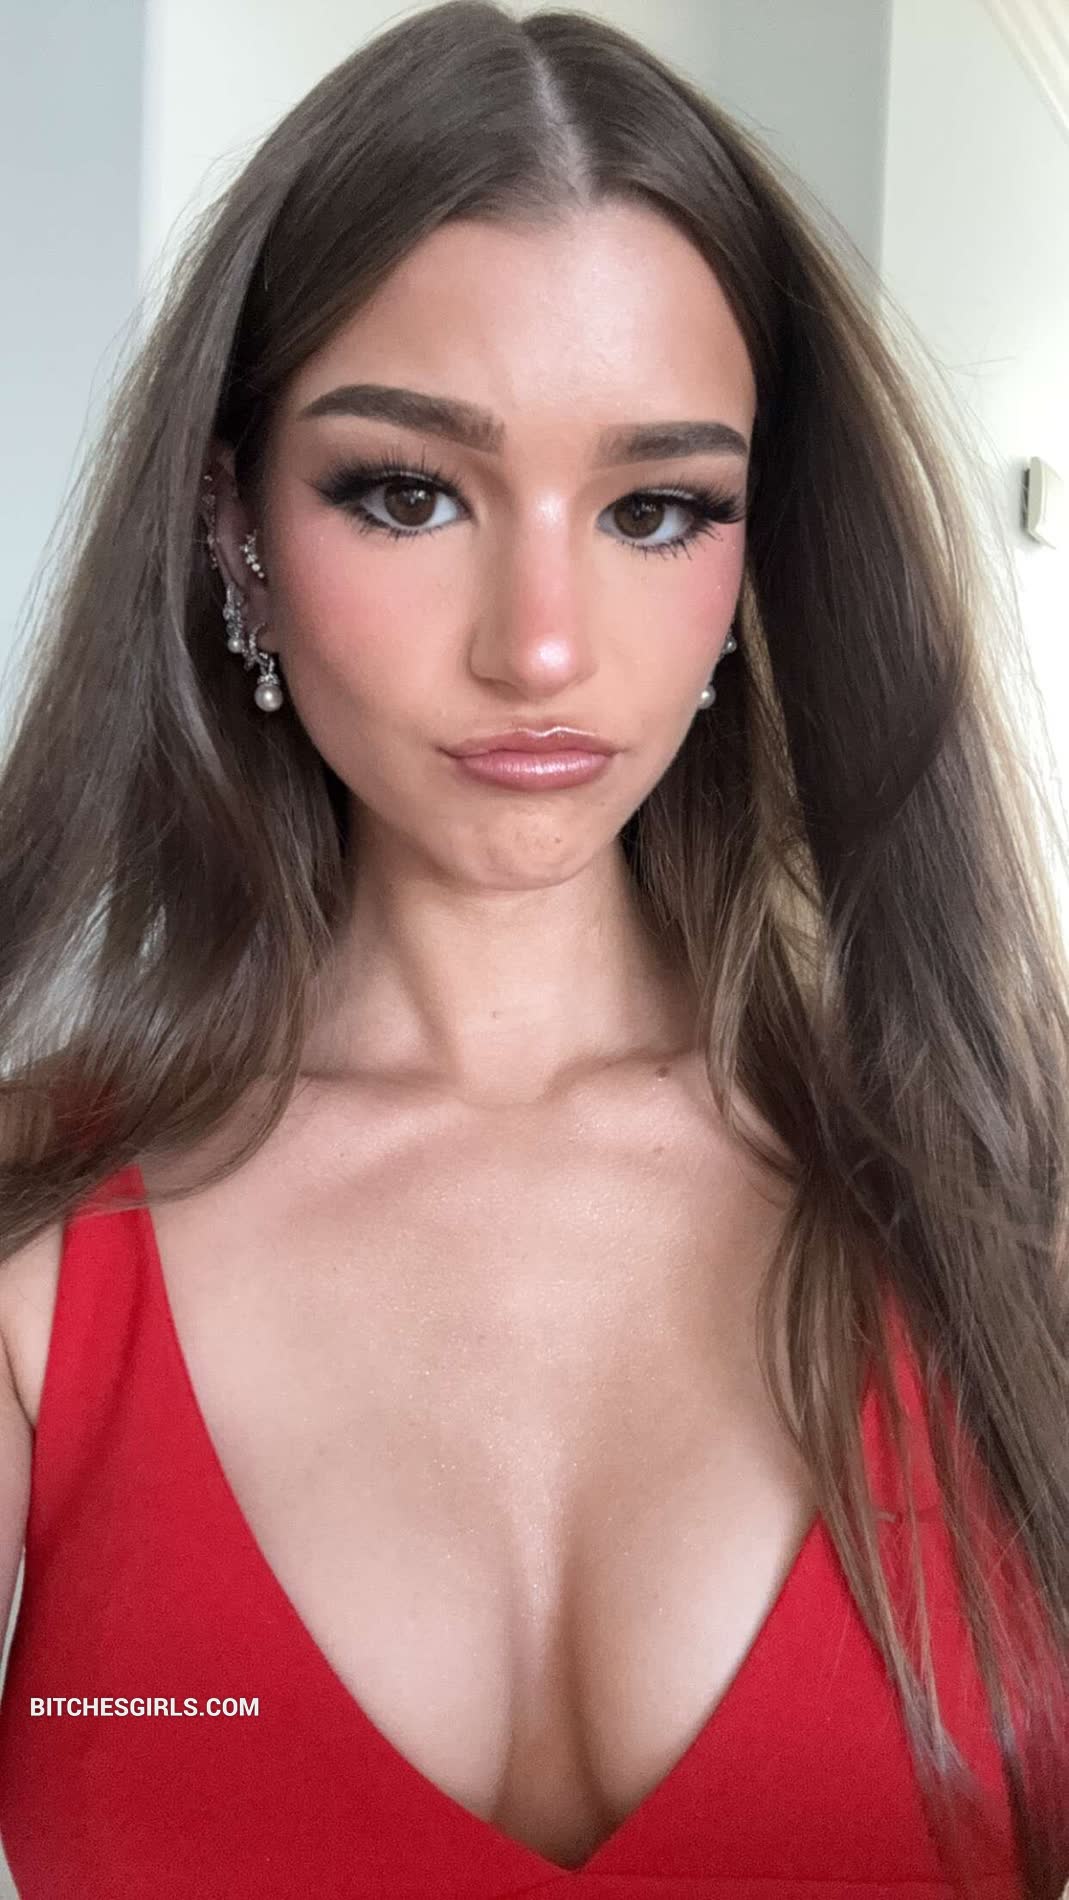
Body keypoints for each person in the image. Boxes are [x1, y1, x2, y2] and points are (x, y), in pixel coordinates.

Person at [0, 3, 1066, 1895]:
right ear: (232, 525)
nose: (544, 645)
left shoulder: (1009, 1205)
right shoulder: (33, 1247)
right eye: (407, 492)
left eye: (657, 508)